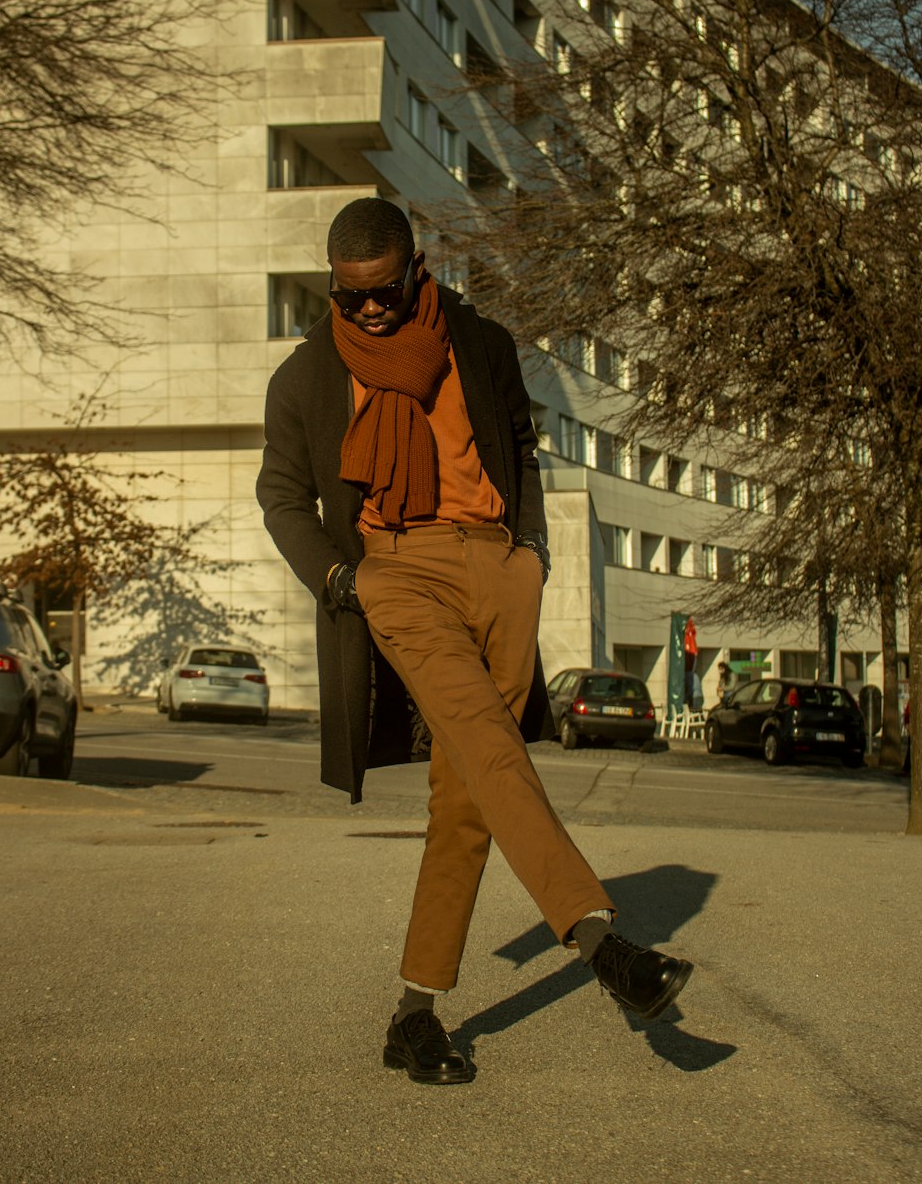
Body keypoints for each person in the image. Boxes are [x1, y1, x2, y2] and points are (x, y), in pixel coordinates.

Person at [256, 198, 693, 1085]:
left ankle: (413, 1017)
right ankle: (600, 940)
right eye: (350, 297)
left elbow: (523, 447)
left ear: (415, 267)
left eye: (383, 292)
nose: (370, 311)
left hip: (498, 569)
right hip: (397, 573)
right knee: (492, 750)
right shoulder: (305, 378)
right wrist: (344, 580)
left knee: (466, 801)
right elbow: (281, 496)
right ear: (333, 287)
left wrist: (530, 551)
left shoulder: (479, 341)